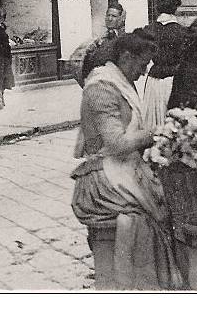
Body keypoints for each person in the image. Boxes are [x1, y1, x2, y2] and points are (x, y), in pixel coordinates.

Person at [71, 29, 184, 290]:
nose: (145, 71)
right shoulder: (101, 88)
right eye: (142, 64)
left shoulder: (121, 81)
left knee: (164, 207)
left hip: (123, 168)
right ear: (125, 56)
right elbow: (117, 144)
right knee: (148, 216)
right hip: (104, 175)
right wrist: (155, 133)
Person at [143, 0, 188, 131]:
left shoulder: (149, 30)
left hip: (153, 80)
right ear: (175, 9)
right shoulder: (182, 32)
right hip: (173, 81)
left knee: (152, 122)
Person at [79, 3, 127, 86]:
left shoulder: (124, 39)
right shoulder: (98, 39)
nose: (110, 19)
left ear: (121, 19)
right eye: (108, 15)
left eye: (114, 16)